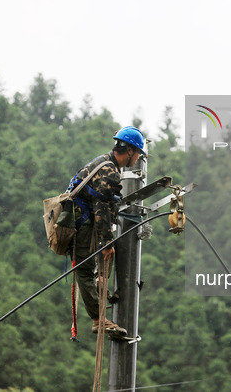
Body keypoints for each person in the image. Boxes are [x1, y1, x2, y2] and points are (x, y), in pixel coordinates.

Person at [69, 126, 146, 335]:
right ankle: (98, 319)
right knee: (85, 270)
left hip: (81, 221)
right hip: (82, 223)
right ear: (129, 150)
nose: (137, 157)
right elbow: (102, 209)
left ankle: (101, 296)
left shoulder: (105, 162)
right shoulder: (110, 173)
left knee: (96, 266)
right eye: (138, 152)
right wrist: (105, 244)